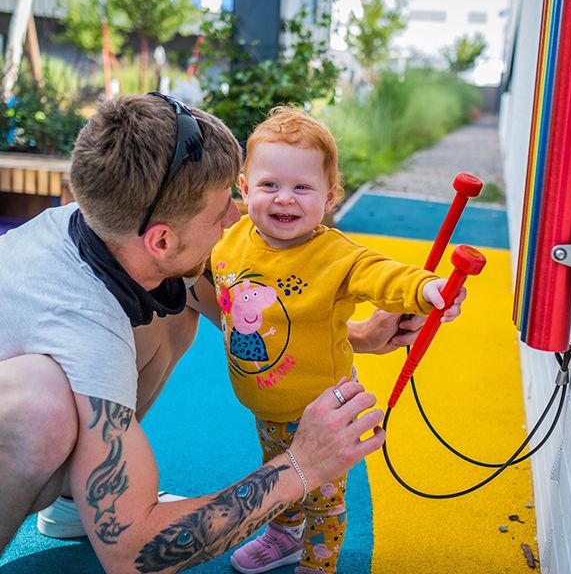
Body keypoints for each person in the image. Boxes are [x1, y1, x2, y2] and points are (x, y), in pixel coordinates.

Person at [0, 93, 452, 573]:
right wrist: (302, 465)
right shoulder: (84, 328)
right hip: (33, 404)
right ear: (161, 239)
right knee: (39, 407)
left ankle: (75, 499)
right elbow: (133, 556)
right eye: (220, 210)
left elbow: (217, 296)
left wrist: (355, 335)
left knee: (175, 303)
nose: (235, 219)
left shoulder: (96, 229)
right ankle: (94, 494)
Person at [209, 106, 466, 574]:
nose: (284, 199)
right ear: (244, 189)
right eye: (270, 185)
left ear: (330, 197)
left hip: (322, 408)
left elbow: (383, 273)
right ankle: (284, 536)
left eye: (302, 187)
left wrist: (429, 289)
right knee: (279, 473)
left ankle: (317, 563)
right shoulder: (232, 238)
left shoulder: (335, 255)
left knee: (323, 494)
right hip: (264, 403)